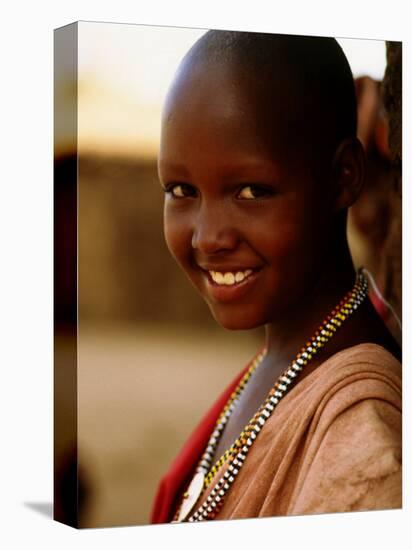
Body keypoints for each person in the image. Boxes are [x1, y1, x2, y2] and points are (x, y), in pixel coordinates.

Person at [150, 30, 402, 524]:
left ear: (344, 176)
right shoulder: (285, 355)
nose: (207, 237)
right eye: (181, 189)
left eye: (250, 191)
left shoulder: (361, 446)